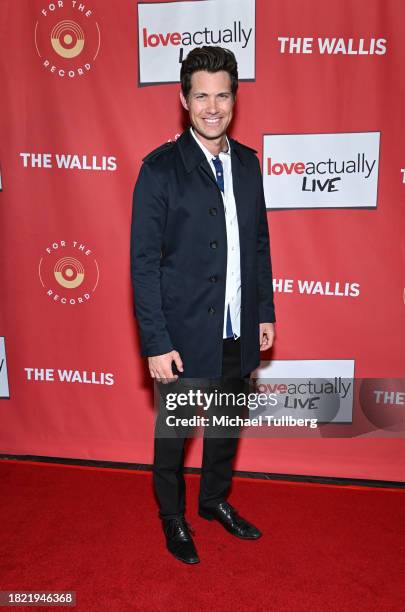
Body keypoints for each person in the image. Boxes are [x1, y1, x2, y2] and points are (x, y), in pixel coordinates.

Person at [131, 46, 275, 564]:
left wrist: (265, 312)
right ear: (183, 99)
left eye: (222, 95)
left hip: (238, 328)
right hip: (184, 335)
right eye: (201, 96)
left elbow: (258, 244)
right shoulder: (160, 170)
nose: (212, 107)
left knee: (225, 428)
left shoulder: (250, 166)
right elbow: (143, 265)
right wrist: (157, 341)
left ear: (234, 99)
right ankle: (173, 517)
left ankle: (214, 501)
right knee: (173, 437)